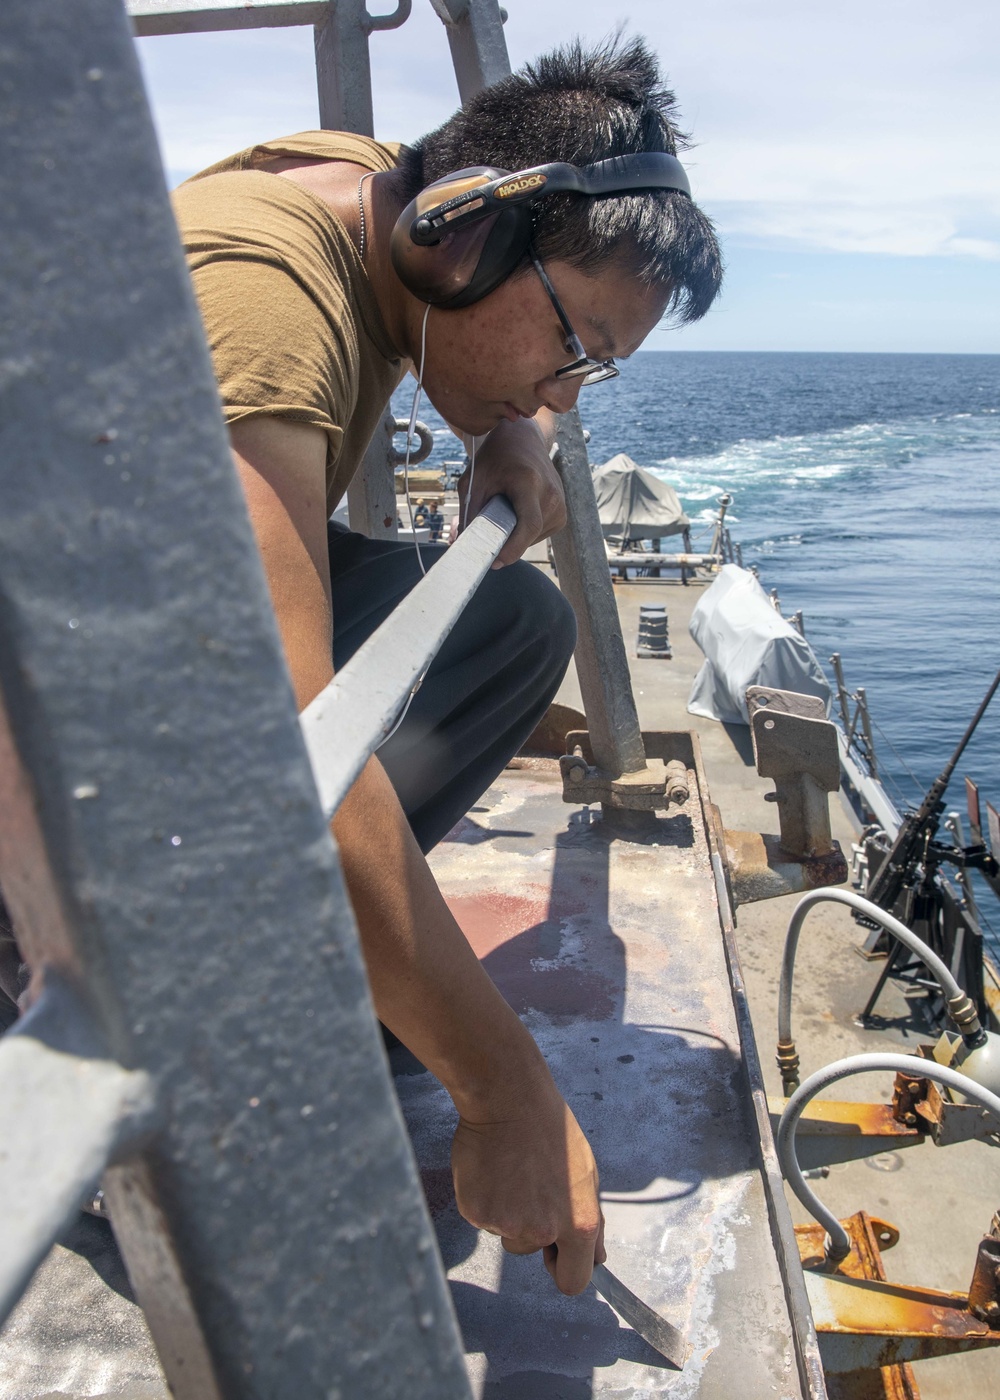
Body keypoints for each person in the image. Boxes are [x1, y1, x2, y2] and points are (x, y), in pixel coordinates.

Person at [171, 35, 721, 1296]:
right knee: (318, 750)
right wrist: (503, 1086)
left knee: (511, 623)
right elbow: (276, 752)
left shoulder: (385, 199)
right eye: (574, 349)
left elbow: (468, 270)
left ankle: (331, 968)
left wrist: (510, 426)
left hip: (114, 638)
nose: (568, 397)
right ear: (464, 237)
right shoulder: (254, 294)